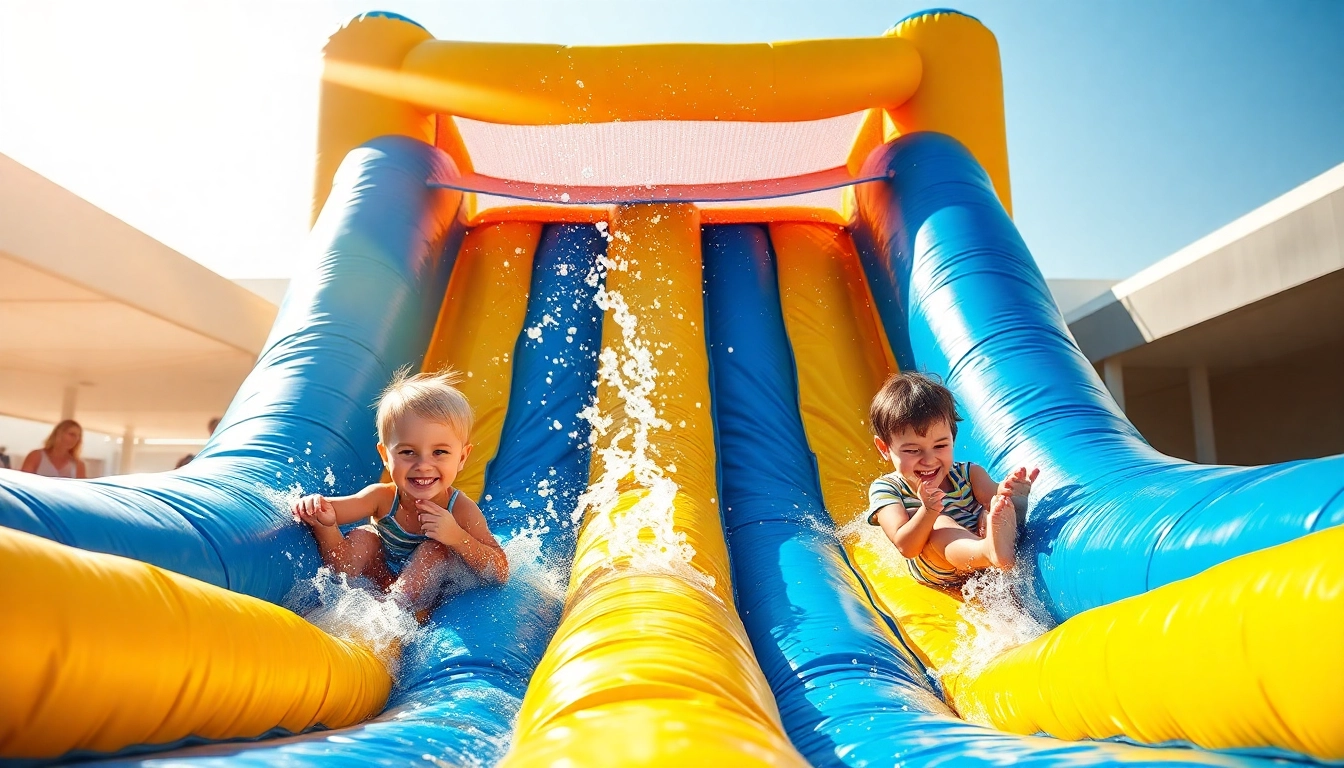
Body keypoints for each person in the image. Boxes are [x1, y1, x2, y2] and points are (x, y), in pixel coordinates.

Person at [292, 368, 508, 615]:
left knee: (433, 550)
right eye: (408, 452)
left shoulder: (460, 509)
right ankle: (370, 609)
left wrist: (456, 537)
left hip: (424, 597)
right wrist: (321, 516)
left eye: (439, 452)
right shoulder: (382, 497)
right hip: (382, 579)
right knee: (365, 537)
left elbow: (500, 570)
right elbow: (331, 508)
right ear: (386, 455)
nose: (423, 465)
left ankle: (388, 616)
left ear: (461, 457)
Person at [867, 372, 1038, 589]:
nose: (929, 460)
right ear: (885, 449)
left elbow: (995, 500)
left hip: (982, 547)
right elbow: (906, 547)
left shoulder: (969, 473)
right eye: (912, 450)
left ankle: (1002, 538)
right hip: (941, 570)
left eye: (940, 446)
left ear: (952, 438)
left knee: (995, 508)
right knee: (939, 524)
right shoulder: (888, 489)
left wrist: (1011, 491)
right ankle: (989, 552)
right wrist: (928, 510)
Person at [21, 420, 87, 479]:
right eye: (71, 434)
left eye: (79, 436)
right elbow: (23, 482)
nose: (76, 439)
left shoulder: (78, 465)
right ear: (59, 433)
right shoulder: (36, 456)